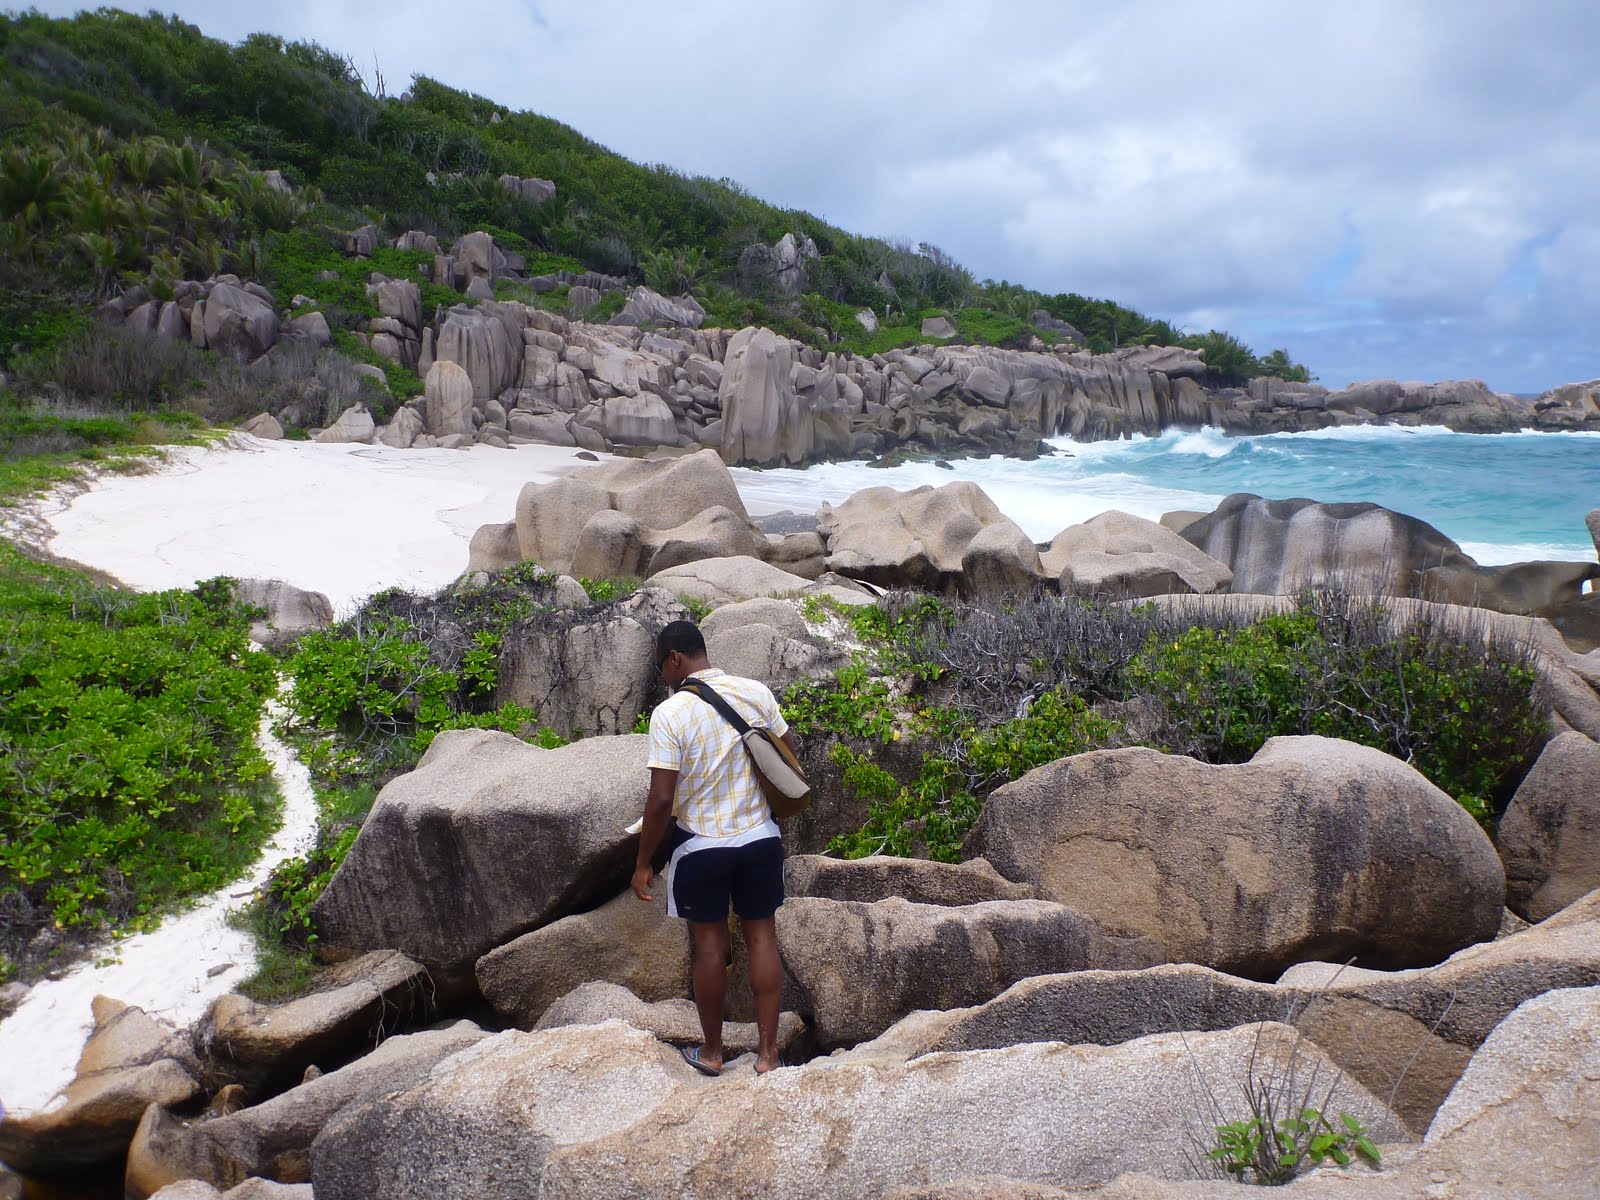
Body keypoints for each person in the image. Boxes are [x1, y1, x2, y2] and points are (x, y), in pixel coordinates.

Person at [631, 619, 792, 1077]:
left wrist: (643, 862)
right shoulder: (755, 692)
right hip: (760, 837)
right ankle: (767, 1056)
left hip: (701, 845)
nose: (664, 676)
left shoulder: (671, 713)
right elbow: (785, 753)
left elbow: (662, 798)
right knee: (762, 936)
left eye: (663, 666)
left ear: (675, 659)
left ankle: (714, 1053)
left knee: (709, 945)